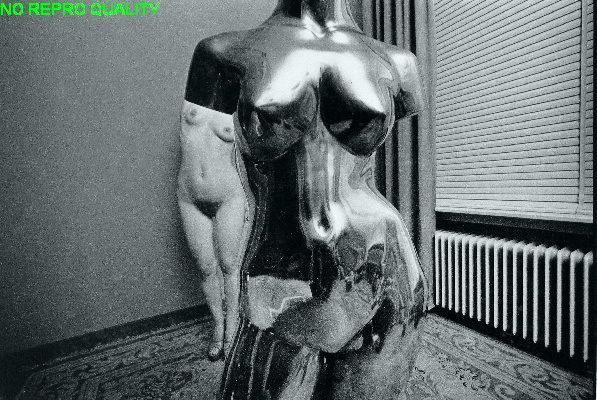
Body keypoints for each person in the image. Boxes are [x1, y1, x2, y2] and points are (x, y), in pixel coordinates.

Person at [183, 0, 428, 397]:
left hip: (380, 260)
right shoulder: (222, 54)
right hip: (278, 270)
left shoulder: (400, 62)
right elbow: (201, 171)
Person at [177, 96, 252, 361]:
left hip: (229, 196)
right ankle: (218, 328)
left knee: (230, 266)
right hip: (188, 195)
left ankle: (232, 331)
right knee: (205, 267)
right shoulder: (196, 84)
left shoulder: (245, 93)